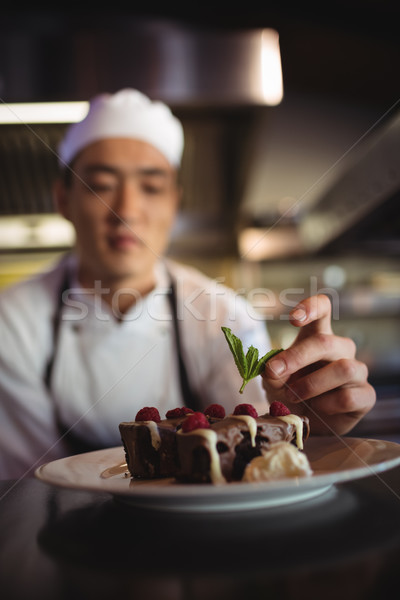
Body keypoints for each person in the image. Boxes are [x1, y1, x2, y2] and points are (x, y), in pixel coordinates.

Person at [0, 89, 375, 480]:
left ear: (175, 202)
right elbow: (31, 484)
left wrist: (304, 422)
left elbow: (253, 467)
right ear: (63, 199)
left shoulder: (224, 316)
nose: (125, 210)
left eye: (151, 187)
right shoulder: (12, 322)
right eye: (100, 184)